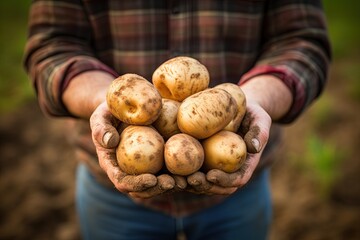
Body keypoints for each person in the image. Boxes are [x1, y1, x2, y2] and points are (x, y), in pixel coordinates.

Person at [24, 1, 331, 239]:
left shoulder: (217, 110)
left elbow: (303, 40)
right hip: (111, 194)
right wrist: (103, 99)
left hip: (240, 190)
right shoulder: (150, 107)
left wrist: (257, 100)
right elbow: (51, 44)